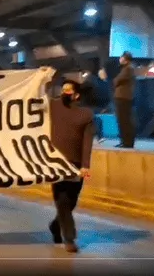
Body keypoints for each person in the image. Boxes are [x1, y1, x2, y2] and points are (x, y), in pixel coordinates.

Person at [48, 79, 94, 253]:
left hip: (76, 165)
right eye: (63, 89)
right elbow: (33, 99)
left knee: (72, 200)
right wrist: (42, 77)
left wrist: (85, 165)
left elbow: (87, 142)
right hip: (55, 163)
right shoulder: (53, 106)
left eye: (69, 90)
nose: (65, 92)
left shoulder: (86, 115)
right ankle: (70, 238)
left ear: (76, 95)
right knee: (63, 201)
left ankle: (55, 226)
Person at [113, 51, 136, 148]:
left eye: (121, 58)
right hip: (123, 98)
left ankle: (127, 142)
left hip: (123, 98)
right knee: (123, 120)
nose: (119, 59)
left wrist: (115, 80)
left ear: (125, 59)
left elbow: (116, 81)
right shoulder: (127, 69)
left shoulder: (128, 69)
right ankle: (125, 141)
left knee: (124, 121)